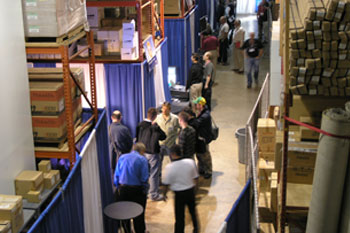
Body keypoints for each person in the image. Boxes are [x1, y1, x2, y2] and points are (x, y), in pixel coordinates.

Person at [162, 144, 199, 233]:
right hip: (190, 191)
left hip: (179, 195)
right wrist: (195, 190)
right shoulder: (190, 162)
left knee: (179, 217)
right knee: (193, 213)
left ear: (172, 154)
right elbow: (196, 178)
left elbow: (166, 183)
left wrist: (164, 194)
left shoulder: (169, 167)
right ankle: (196, 229)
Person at [114, 142, 149, 233]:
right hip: (137, 190)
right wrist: (145, 190)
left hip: (123, 189)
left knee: (125, 215)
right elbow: (144, 177)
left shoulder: (122, 157)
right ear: (142, 151)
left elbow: (117, 175)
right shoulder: (142, 159)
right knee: (139, 215)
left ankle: (127, 231)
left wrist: (118, 188)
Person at [136, 107, 166, 201]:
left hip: (142, 152)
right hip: (153, 153)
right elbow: (163, 136)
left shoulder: (140, 124)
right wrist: (156, 127)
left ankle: (144, 192)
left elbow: (137, 137)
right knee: (154, 174)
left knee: (144, 173)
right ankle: (153, 194)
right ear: (155, 116)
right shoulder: (154, 127)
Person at [156, 102, 180, 175]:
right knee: (159, 161)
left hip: (171, 143)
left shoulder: (175, 118)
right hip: (160, 144)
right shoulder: (158, 118)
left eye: (166, 109)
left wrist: (176, 136)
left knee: (174, 160)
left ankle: (175, 175)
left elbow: (179, 128)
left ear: (169, 110)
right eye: (163, 109)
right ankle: (159, 176)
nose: (164, 111)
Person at [192, 97, 213, 179]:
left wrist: (191, 117)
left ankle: (208, 171)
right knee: (199, 154)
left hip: (204, 138)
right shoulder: (201, 112)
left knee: (205, 155)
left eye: (197, 104)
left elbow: (196, 123)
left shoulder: (205, 115)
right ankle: (201, 169)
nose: (195, 106)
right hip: (200, 138)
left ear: (201, 105)